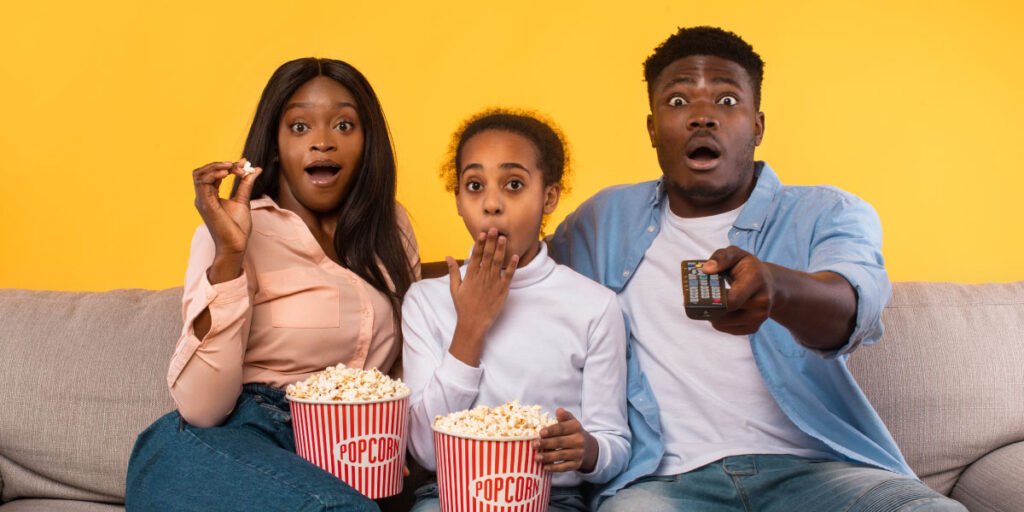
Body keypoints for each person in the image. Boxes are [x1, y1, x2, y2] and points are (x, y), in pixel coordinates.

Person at [547, 27, 966, 511]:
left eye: (727, 100)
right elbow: (517, 273)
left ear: (758, 125)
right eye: (679, 101)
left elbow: (855, 304)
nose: (702, 116)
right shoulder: (604, 220)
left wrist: (778, 289)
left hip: (818, 473)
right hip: (662, 483)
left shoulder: (827, 213)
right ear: (652, 128)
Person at [125, 57, 420, 511]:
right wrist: (229, 256)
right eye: (300, 127)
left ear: (368, 143)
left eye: (344, 125)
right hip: (238, 438)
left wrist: (392, 436)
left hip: (348, 450)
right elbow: (203, 411)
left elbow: (406, 365)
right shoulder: (230, 231)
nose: (323, 142)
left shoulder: (391, 228)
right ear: (277, 146)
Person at [401, 109, 631, 512]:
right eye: (474, 185)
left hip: (550, 497)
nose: (492, 204)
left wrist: (588, 449)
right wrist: (470, 326)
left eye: (513, 184)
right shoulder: (425, 301)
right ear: (457, 200)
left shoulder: (593, 306)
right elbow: (424, 449)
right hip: (449, 495)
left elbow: (614, 442)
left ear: (549, 196)